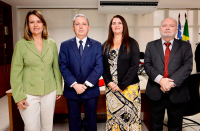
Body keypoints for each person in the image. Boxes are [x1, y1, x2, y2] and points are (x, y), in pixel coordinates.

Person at [10, 10, 62, 131]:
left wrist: (59, 88)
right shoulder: (21, 44)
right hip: (28, 94)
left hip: (49, 91)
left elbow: (56, 68)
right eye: (31, 22)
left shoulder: (52, 44)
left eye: (38, 21)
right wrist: (18, 97)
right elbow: (15, 73)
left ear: (43, 24)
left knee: (47, 127)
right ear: (27, 25)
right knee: (31, 127)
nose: (35, 25)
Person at [144, 18, 193, 131]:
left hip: (177, 93)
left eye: (171, 26)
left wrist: (170, 84)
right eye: (164, 25)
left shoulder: (185, 46)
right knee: (155, 126)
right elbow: (147, 65)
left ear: (176, 29)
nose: (167, 27)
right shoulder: (151, 45)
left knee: (175, 127)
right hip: (155, 92)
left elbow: (187, 67)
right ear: (160, 29)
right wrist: (161, 80)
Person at [59, 14, 103, 131]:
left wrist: (85, 85)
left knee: (91, 121)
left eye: (84, 24)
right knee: (74, 122)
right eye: (77, 24)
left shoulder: (97, 45)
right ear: (73, 28)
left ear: (89, 27)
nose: (81, 27)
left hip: (91, 90)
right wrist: (74, 84)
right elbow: (63, 66)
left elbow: (99, 67)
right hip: (72, 90)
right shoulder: (65, 45)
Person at [102, 15, 141, 131]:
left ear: (124, 26)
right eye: (114, 23)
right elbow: (102, 66)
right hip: (111, 89)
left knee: (130, 119)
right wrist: (108, 82)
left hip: (129, 89)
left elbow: (135, 66)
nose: (116, 25)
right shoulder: (105, 45)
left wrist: (122, 85)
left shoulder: (132, 43)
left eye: (119, 23)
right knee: (113, 118)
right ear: (111, 27)